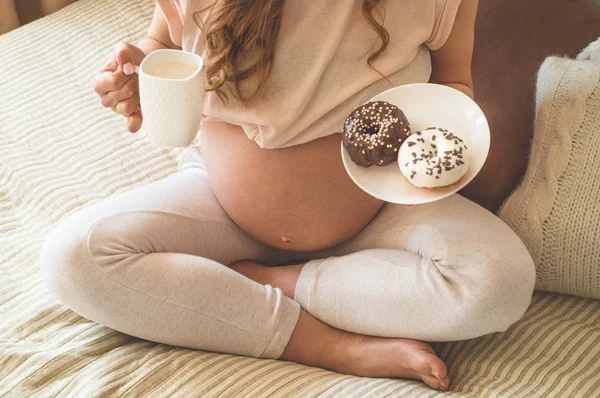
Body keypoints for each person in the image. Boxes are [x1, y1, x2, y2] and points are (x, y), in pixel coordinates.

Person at [39, 0, 536, 391]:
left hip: (381, 206)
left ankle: (262, 281)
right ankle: (324, 344)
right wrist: (135, 69)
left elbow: (453, 80)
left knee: (500, 282)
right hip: (218, 196)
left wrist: (437, 148)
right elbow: (162, 40)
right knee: (74, 257)